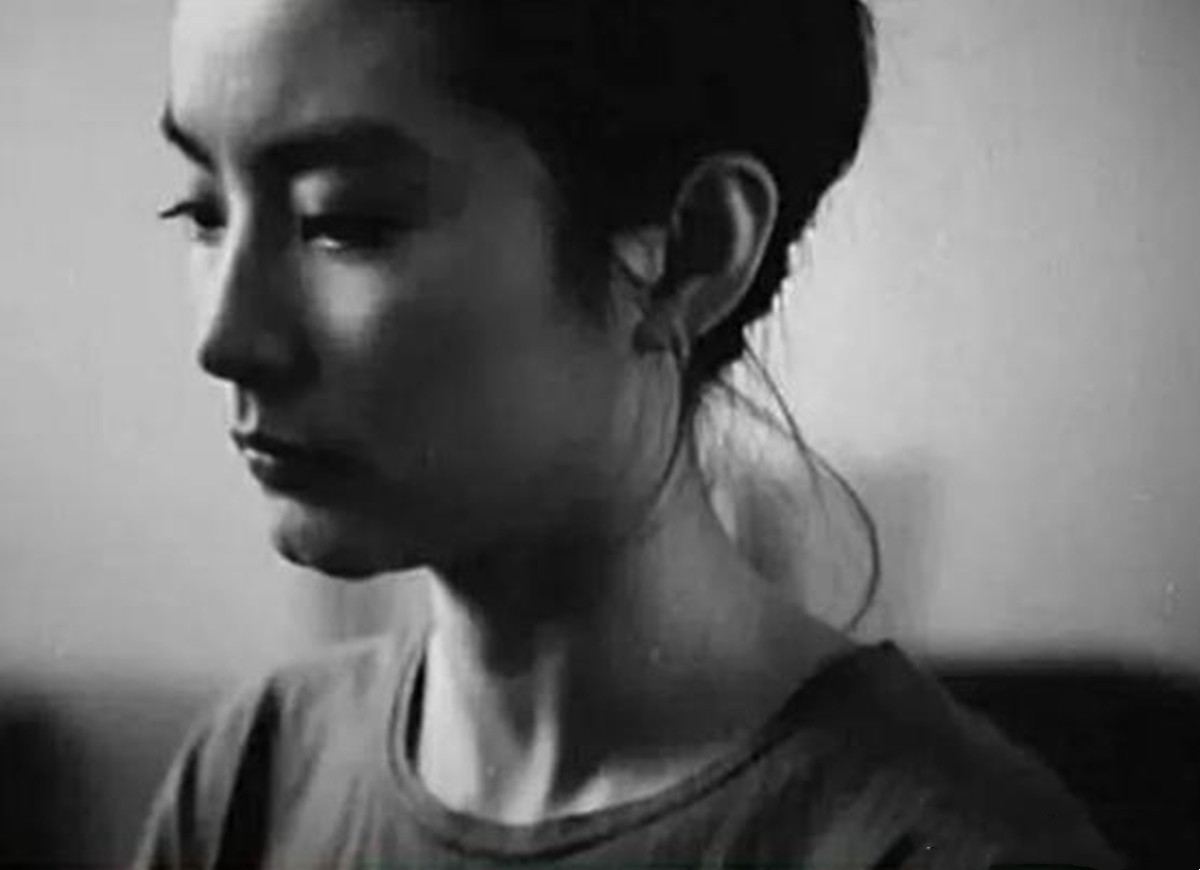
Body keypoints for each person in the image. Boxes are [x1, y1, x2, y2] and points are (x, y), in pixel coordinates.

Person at [135, 0, 1122, 867]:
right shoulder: (251, 778)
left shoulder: (947, 846)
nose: (224, 339)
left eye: (342, 220)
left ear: (691, 252)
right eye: (204, 210)